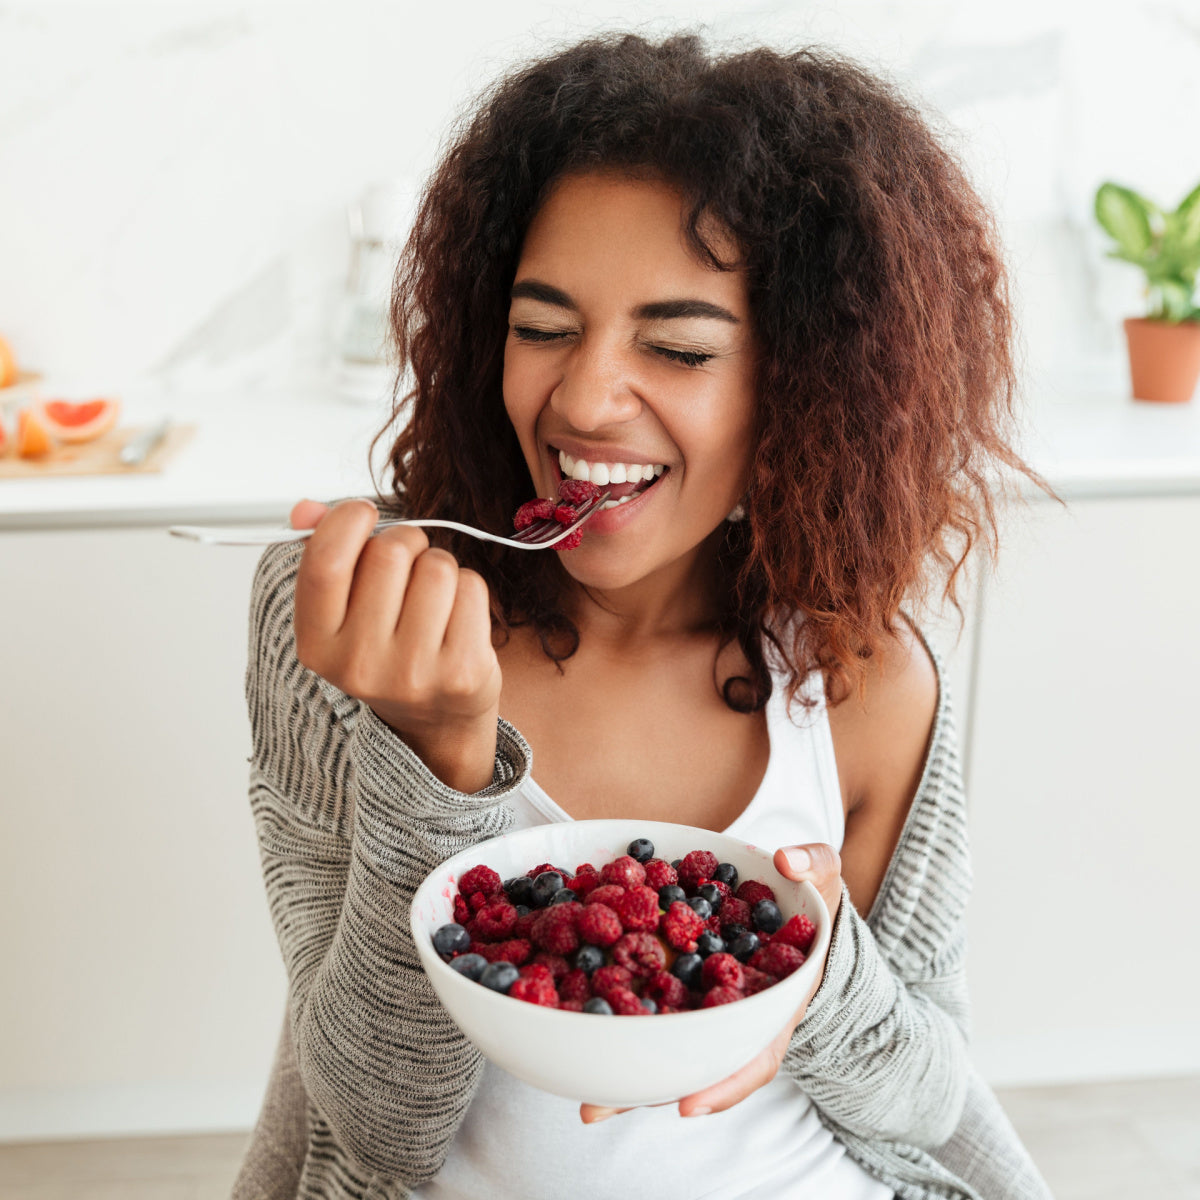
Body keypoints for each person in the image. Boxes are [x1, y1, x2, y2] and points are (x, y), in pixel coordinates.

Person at [232, 31, 1054, 1200]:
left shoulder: (861, 676)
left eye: (675, 345)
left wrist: (816, 978)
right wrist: (440, 766)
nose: (582, 397)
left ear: (806, 385)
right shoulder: (357, 630)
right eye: (543, 327)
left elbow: (931, 1095)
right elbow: (373, 1123)